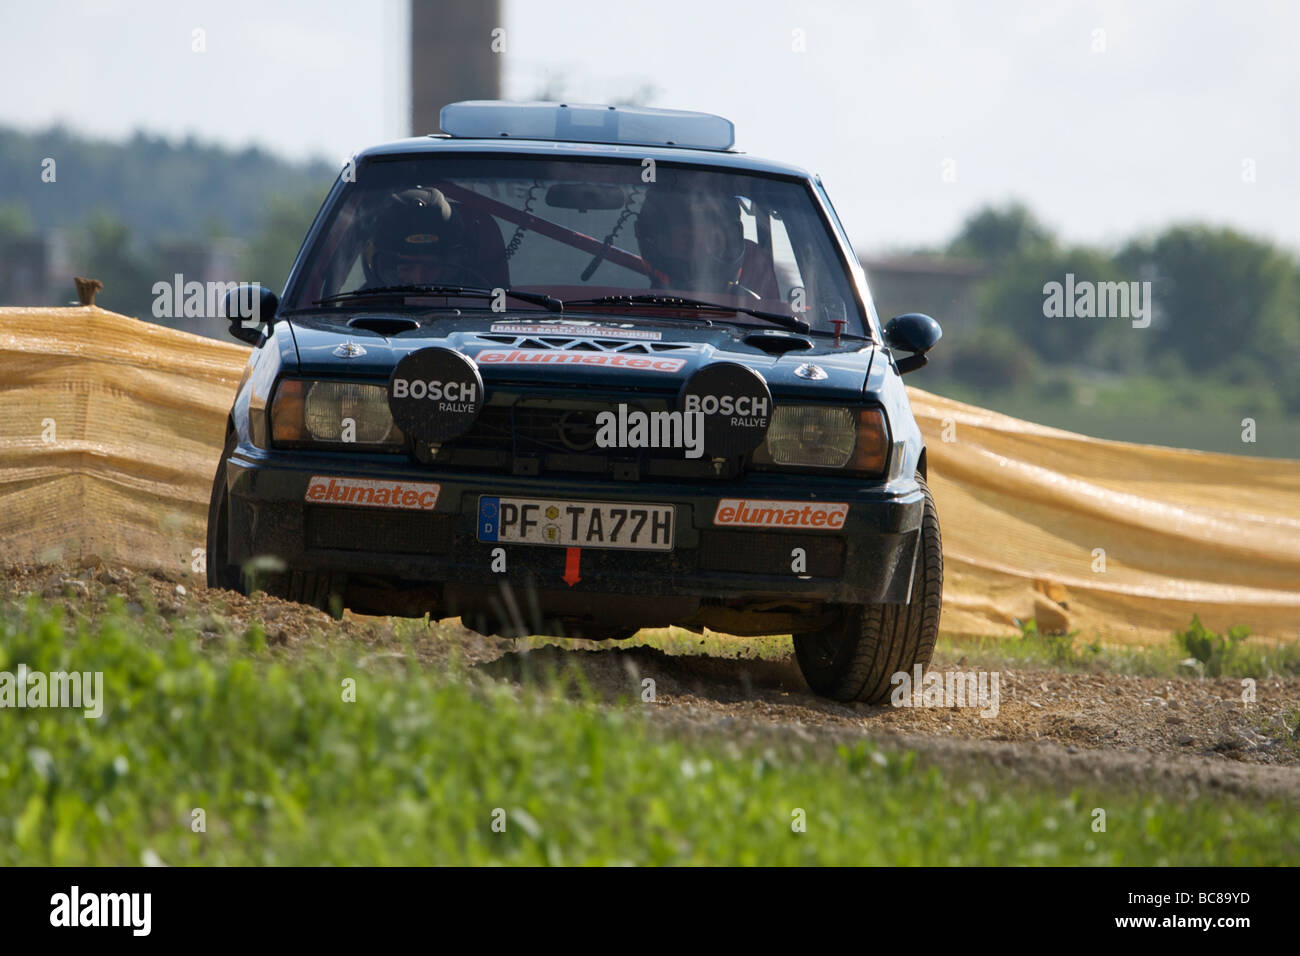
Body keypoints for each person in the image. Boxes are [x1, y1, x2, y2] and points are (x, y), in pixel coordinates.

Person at [362, 187, 489, 287]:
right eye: (406, 268)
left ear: (451, 264)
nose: (419, 280)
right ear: (387, 268)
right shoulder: (358, 310)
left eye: (430, 267)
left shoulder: (484, 307)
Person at [633, 185, 749, 293]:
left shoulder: (756, 309)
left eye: (715, 242)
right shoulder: (626, 307)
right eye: (688, 242)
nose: (701, 250)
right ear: (660, 243)